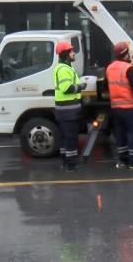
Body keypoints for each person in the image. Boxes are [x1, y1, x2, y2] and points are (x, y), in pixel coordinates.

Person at [105, 41, 133, 169]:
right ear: (126, 54)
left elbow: (106, 86)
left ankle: (123, 161)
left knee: (120, 135)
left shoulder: (109, 68)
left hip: (115, 108)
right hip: (130, 109)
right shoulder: (128, 68)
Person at [53, 41, 87, 172]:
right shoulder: (63, 69)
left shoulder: (65, 67)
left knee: (65, 137)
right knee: (71, 137)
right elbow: (67, 88)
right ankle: (71, 165)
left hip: (65, 110)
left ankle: (65, 162)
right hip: (68, 111)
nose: (73, 53)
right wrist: (81, 87)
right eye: (71, 51)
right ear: (65, 54)